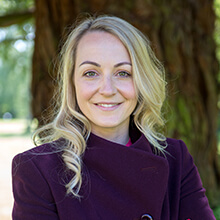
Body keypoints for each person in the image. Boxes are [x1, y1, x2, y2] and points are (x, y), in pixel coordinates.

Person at [12, 15, 216, 220]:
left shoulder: (175, 159)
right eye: (91, 73)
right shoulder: (37, 170)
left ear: (141, 82)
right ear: (72, 84)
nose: (107, 90)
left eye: (123, 73)